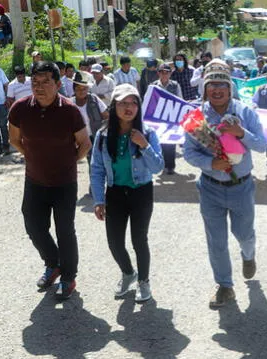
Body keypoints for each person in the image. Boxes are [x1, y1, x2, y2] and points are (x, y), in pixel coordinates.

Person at [183, 59, 267, 308]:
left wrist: (241, 133)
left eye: (222, 84)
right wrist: (211, 164)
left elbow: (262, 145)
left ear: (230, 88)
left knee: (244, 234)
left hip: (241, 185)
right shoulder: (196, 118)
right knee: (216, 240)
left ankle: (248, 255)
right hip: (210, 187)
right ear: (205, 88)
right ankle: (225, 285)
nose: (216, 89)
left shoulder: (245, 112)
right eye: (211, 84)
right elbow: (188, 153)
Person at [8, 61, 92, 300]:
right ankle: (52, 263)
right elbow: (15, 139)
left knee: (65, 230)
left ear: (57, 84)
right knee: (33, 226)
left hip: (64, 183)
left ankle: (68, 277)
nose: (39, 87)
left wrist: (68, 162)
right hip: (34, 180)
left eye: (46, 82)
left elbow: (85, 143)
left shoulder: (70, 110)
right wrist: (33, 157)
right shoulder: (20, 108)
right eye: (35, 82)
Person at [90, 83, 164, 303]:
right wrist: (98, 200)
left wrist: (144, 145)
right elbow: (96, 169)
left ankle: (144, 281)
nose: (129, 107)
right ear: (114, 106)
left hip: (141, 192)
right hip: (115, 194)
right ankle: (128, 272)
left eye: (133, 102)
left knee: (139, 239)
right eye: (123, 103)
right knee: (114, 242)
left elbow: (158, 167)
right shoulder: (103, 136)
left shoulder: (148, 133)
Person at [152, 63, 182, 175]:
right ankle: (162, 164)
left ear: (170, 73)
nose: (164, 74)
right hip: (158, 118)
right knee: (160, 142)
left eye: (167, 72)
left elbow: (180, 100)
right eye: (162, 72)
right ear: (158, 73)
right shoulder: (153, 86)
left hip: (171, 118)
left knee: (171, 142)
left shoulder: (175, 85)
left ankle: (170, 166)